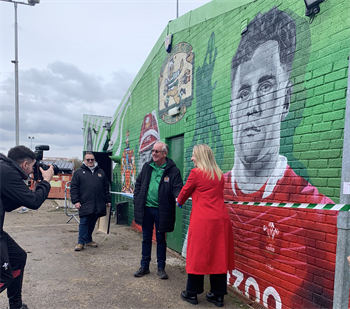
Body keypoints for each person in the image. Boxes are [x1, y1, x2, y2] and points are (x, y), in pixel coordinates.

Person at [225, 7, 333, 204]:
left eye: (266, 87)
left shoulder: (316, 209)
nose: (253, 107)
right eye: (243, 93)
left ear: (285, 101)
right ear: (231, 112)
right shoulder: (213, 193)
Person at [176, 144, 235, 307]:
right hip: (221, 220)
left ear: (200, 156)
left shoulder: (196, 173)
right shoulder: (219, 174)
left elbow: (184, 193)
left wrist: (178, 201)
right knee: (219, 255)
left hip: (202, 221)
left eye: (194, 155)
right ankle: (218, 295)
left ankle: (192, 293)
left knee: (197, 255)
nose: (191, 158)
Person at [0, 145, 54, 309]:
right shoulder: (6, 173)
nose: (32, 172)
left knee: (17, 257)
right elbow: (34, 202)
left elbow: (8, 205)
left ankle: (15, 305)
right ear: (24, 164)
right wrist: (46, 181)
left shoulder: (4, 169)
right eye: (32, 167)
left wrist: (34, 189)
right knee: (3, 277)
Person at [133, 141, 183, 280]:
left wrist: (178, 196)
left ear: (165, 154)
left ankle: (161, 268)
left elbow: (177, 187)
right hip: (147, 209)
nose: (154, 153)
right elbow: (138, 184)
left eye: (157, 151)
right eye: (153, 151)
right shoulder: (147, 167)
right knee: (146, 238)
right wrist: (136, 200)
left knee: (161, 240)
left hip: (162, 211)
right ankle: (144, 267)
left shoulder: (173, 170)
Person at [70, 152, 111, 251]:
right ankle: (80, 242)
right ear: (84, 161)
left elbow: (106, 187)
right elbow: (74, 188)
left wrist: (108, 200)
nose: (90, 161)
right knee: (84, 221)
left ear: (94, 160)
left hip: (98, 203)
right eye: (88, 159)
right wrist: (76, 201)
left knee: (92, 222)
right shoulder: (78, 173)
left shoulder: (101, 172)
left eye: (92, 159)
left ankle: (88, 240)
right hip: (84, 203)